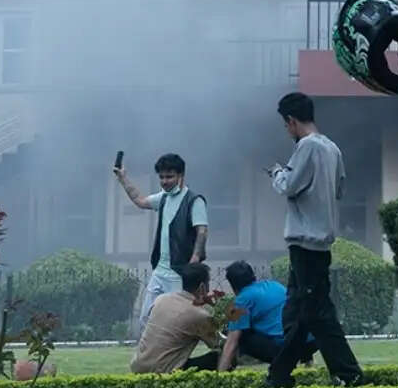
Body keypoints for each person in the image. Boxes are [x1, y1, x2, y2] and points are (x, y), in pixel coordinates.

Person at [264, 93, 363, 388]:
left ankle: (348, 373)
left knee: (317, 312)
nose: (287, 131)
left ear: (291, 121)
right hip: (319, 242)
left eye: (286, 125)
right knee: (297, 311)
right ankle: (279, 374)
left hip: (306, 241)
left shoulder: (306, 147)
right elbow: (340, 189)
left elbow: (289, 186)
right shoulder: (332, 148)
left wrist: (277, 172)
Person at [114, 152, 208, 333]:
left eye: (169, 177)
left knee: (176, 321)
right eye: (162, 177)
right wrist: (123, 178)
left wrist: (194, 262)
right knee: (146, 318)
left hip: (179, 273)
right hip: (160, 270)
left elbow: (202, 232)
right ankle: (148, 351)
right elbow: (140, 201)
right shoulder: (163, 198)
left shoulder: (194, 201)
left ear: (181, 175)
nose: (165, 181)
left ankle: (173, 351)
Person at [131, 263, 225, 373]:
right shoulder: (199, 315)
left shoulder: (161, 299)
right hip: (165, 372)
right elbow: (220, 343)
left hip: (138, 367)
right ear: (202, 287)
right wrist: (218, 307)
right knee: (224, 355)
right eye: (208, 284)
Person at [217, 260, 302, 370]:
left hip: (281, 347)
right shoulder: (274, 285)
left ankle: (229, 368)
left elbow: (232, 342)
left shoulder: (241, 300)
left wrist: (220, 374)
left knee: (237, 334)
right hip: (300, 342)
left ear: (232, 285)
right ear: (254, 276)